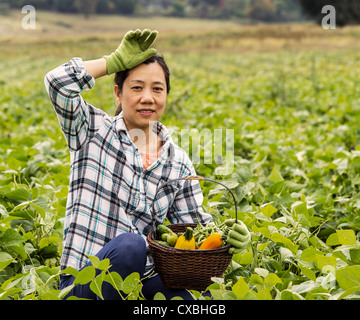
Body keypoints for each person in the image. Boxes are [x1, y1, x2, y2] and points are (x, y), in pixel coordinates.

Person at [44, 29, 249, 300]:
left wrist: (228, 239)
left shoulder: (178, 163)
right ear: (118, 93)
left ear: (166, 96)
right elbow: (57, 83)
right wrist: (112, 61)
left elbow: (194, 235)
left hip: (141, 283)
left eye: (157, 89)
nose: (148, 97)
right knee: (131, 246)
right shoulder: (92, 130)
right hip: (84, 282)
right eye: (137, 87)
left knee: (194, 300)